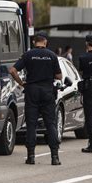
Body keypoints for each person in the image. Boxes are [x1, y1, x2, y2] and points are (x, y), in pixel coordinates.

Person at [9, 31, 62, 166]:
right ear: (45, 42)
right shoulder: (51, 55)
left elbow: (12, 70)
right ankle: (54, 157)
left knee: (31, 124)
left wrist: (21, 83)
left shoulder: (28, 55)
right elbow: (59, 76)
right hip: (47, 91)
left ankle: (31, 156)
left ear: (35, 42)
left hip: (32, 91)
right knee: (50, 123)